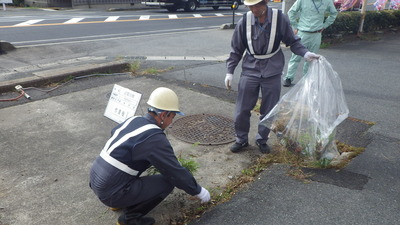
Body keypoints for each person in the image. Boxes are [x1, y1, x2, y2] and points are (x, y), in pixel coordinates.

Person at [89, 87, 211, 225]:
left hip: (96, 180)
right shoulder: (154, 137)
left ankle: (118, 201)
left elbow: (114, 133)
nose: (171, 122)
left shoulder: (133, 120)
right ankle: (130, 218)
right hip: (111, 192)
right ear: (164, 115)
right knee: (168, 181)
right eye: (172, 116)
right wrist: (198, 191)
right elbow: (174, 171)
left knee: (128, 165)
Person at [225, 0, 320, 154]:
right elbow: (236, 48)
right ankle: (241, 140)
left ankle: (262, 139)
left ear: (266, 2)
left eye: (257, 5)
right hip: (250, 69)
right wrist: (230, 71)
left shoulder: (279, 18)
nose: (254, 9)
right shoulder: (245, 21)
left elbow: (292, 41)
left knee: (269, 110)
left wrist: (305, 53)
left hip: (272, 70)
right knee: (242, 109)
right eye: (251, 6)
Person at [283, 0, 338, 87]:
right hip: (302, 32)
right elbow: (291, 12)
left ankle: (307, 79)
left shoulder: (327, 1)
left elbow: (334, 13)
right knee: (295, 57)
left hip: (316, 34)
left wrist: (325, 25)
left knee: (311, 59)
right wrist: (295, 26)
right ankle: (289, 78)